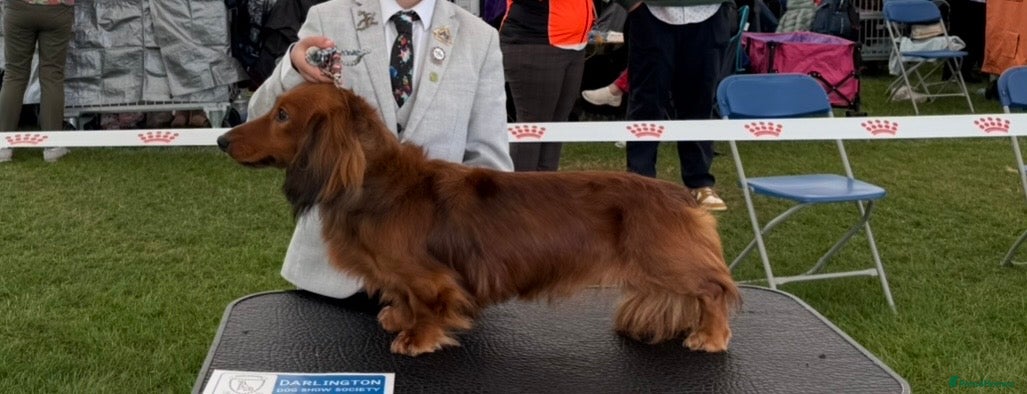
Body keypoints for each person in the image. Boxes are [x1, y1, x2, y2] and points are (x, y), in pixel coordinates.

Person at [247, 0, 513, 299]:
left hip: (434, 284)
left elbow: (490, 162)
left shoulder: (479, 37)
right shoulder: (327, 17)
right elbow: (259, 115)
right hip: (334, 275)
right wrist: (294, 68)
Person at [612, 0, 736, 211]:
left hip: (710, 13)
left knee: (700, 101)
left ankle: (699, 182)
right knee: (646, 102)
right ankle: (640, 182)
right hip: (651, 13)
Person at [499, 0, 594, 172]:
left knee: (555, 128)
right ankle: (520, 194)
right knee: (532, 129)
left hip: (574, 43)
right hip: (536, 40)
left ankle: (545, 195)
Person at [0, 0, 75, 163]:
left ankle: (3, 146)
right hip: (57, 9)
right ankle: (52, 147)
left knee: (14, 74)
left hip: (18, 8)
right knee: (52, 76)